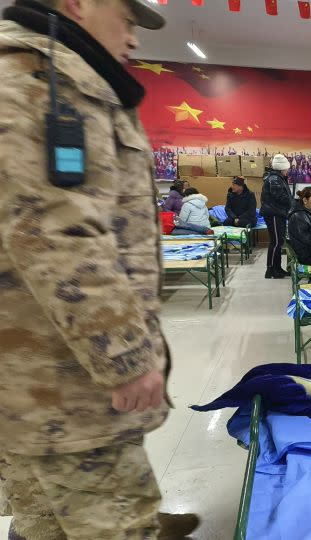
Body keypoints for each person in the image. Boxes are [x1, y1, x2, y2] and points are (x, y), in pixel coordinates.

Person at [0, 0, 199, 538]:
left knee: (44, 516)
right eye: (128, 18)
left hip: (36, 376)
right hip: (65, 384)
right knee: (112, 522)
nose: (133, 37)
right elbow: (56, 238)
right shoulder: (46, 83)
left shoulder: (47, 74)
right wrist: (128, 358)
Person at [261, 153, 294, 279]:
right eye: (287, 169)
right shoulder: (274, 179)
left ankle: (277, 268)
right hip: (274, 213)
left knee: (278, 242)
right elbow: (280, 197)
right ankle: (270, 270)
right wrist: (293, 202)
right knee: (275, 242)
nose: (288, 171)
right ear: (282, 168)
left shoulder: (278, 178)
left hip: (277, 213)